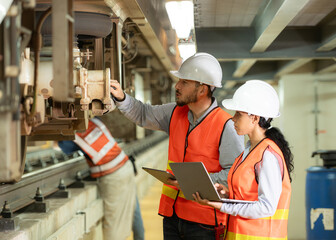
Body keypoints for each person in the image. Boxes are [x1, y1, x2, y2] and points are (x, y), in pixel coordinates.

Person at [110, 52, 245, 239]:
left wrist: (192, 183)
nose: (177, 86)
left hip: (204, 222)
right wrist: (122, 98)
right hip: (172, 216)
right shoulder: (175, 112)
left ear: (202, 89)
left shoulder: (226, 125)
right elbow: (143, 114)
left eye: (184, 82)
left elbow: (235, 173)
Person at [193, 80, 294, 240]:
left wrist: (223, 206)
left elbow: (267, 207)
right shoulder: (249, 150)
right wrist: (227, 195)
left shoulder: (267, 155)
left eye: (238, 114)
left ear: (254, 118)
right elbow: (249, 196)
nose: (233, 119)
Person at [57, 118, 137, 240]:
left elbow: (65, 148)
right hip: (125, 166)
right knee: (125, 217)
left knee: (113, 224)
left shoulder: (74, 134)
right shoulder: (94, 122)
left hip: (113, 176)